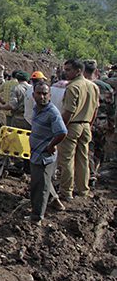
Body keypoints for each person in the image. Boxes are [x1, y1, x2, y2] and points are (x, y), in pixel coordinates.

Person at [58, 59, 99, 200]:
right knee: (83, 159)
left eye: (68, 70)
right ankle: (83, 190)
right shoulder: (93, 86)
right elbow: (95, 110)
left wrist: (60, 128)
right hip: (86, 125)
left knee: (67, 160)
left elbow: (69, 111)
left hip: (72, 125)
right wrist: (90, 124)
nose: (65, 72)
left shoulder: (73, 87)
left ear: (78, 71)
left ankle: (66, 191)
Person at [28, 83, 67, 224]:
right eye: (39, 93)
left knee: (41, 189)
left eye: (45, 93)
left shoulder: (52, 112)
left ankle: (37, 218)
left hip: (44, 156)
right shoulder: (37, 109)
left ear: (50, 95)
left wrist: (51, 145)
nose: (42, 96)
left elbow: (62, 132)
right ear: (34, 95)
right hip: (35, 153)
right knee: (38, 184)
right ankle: (49, 205)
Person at [84, 60, 113, 187]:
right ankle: (94, 170)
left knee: (88, 149)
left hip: (87, 121)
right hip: (102, 122)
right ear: (96, 71)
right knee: (99, 149)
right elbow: (111, 107)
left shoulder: (82, 85)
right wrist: (111, 124)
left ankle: (90, 174)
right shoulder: (106, 87)